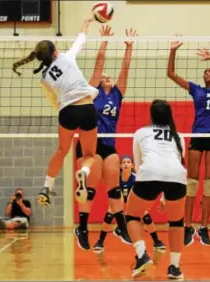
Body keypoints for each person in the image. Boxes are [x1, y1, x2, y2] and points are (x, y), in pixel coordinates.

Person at [12, 18, 99, 207]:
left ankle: (46, 186)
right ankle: (84, 172)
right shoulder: (66, 58)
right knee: (90, 155)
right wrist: (86, 22)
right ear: (55, 52)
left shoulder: (44, 79)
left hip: (66, 111)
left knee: (62, 150)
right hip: (86, 107)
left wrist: (67, 113)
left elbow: (55, 102)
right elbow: (81, 39)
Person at [167, 40, 210, 246]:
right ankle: (187, 226)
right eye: (205, 71)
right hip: (197, 136)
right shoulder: (195, 90)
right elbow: (171, 74)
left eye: (209, 71)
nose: (205, 73)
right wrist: (173, 50)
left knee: (209, 184)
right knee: (191, 183)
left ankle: (204, 226)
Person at [74, 25, 137, 250]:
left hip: (109, 144)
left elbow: (125, 70)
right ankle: (82, 228)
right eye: (104, 76)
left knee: (114, 189)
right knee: (89, 190)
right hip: (90, 143)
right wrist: (104, 42)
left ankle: (121, 226)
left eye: (108, 77)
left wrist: (129, 47)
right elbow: (99, 65)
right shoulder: (92, 92)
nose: (106, 77)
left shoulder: (118, 95)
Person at [126, 100, 187, 279]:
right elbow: (177, 162)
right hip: (176, 177)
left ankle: (142, 255)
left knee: (132, 215)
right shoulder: (179, 136)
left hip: (149, 173)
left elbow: (138, 164)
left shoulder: (141, 133)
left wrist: (147, 188)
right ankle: (174, 268)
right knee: (176, 222)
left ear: (151, 115)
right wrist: (164, 195)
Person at [93, 155, 165, 253]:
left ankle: (157, 241)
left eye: (128, 162)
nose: (126, 164)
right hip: (119, 198)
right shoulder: (116, 178)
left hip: (133, 199)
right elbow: (116, 198)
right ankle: (100, 242)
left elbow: (139, 197)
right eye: (123, 162)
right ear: (120, 166)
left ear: (132, 165)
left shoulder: (136, 179)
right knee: (109, 215)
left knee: (146, 216)